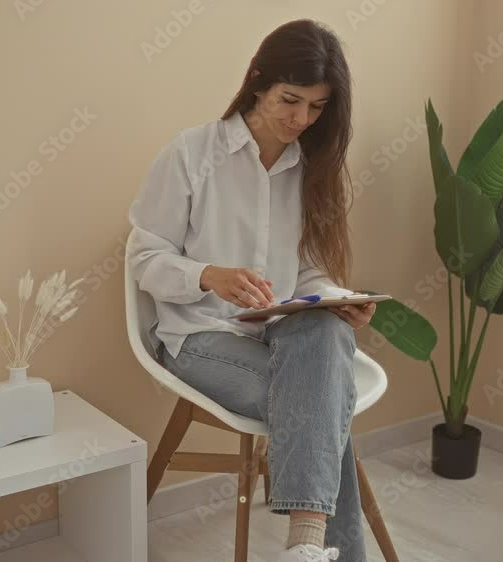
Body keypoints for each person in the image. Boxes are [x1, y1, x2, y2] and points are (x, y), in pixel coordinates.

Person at [128, 18, 376, 562]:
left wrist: (337, 297)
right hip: (198, 336)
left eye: (316, 107)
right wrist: (208, 275)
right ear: (258, 79)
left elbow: (309, 273)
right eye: (291, 99)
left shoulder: (311, 167)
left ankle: (305, 550)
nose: (300, 119)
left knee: (323, 338)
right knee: (323, 398)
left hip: (284, 336)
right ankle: (313, 547)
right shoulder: (191, 154)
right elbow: (146, 259)